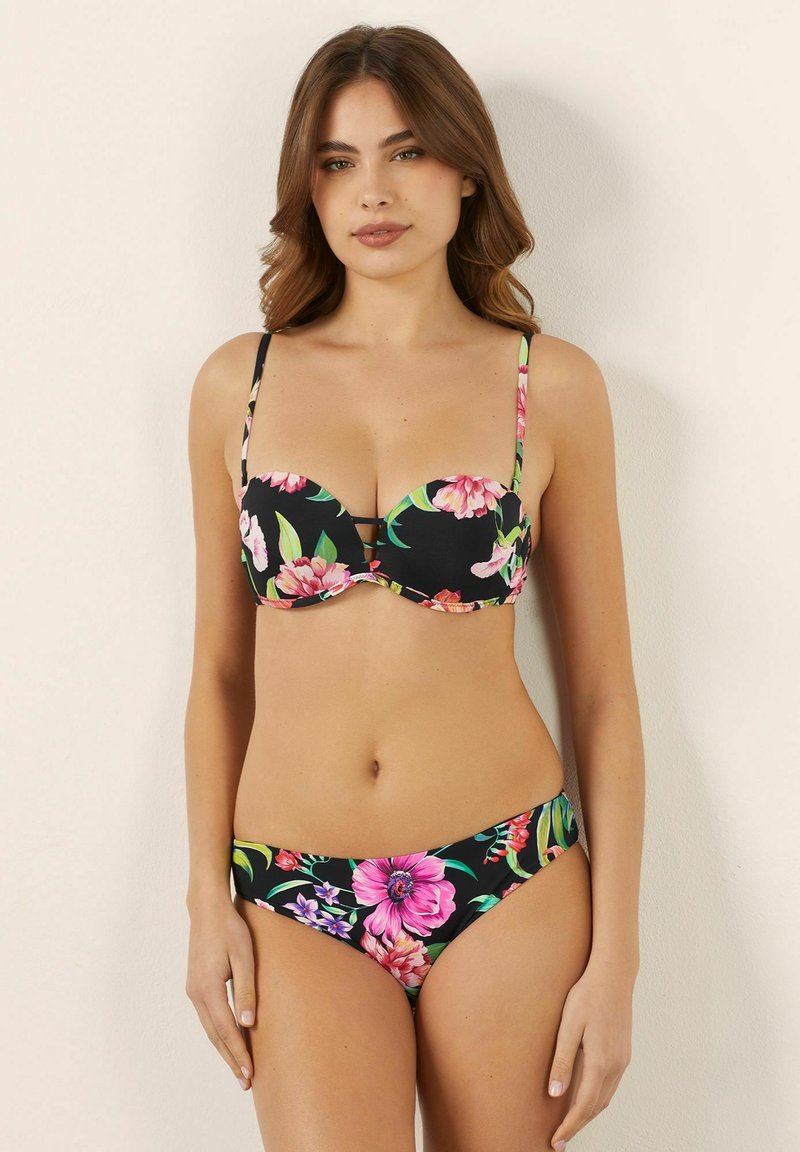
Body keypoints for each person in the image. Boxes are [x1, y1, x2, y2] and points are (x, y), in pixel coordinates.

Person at [184, 23, 644, 1152]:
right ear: (306, 186)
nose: (372, 192)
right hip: (293, 888)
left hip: (508, 872)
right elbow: (219, 671)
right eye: (336, 162)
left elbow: (602, 692)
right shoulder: (238, 384)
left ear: (465, 169)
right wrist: (204, 899)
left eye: (406, 152)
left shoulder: (550, 386)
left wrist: (619, 959)